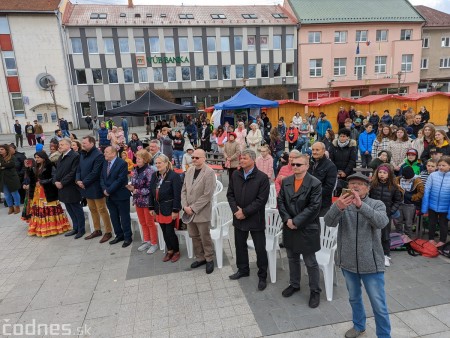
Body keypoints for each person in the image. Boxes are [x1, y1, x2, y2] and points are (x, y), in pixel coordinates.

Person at [324, 173, 391, 338]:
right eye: (352, 183)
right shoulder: (342, 204)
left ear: (367, 188)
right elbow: (328, 222)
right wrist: (337, 207)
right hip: (348, 262)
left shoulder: (377, 204)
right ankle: (359, 326)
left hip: (371, 263)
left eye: (359, 184)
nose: (355, 186)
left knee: (378, 304)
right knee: (354, 298)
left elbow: (381, 222)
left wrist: (361, 206)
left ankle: (384, 335)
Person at [277, 154, 322, 308]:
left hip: (307, 228)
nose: (295, 167)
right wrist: (287, 220)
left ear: (307, 166)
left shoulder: (315, 183)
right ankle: (294, 284)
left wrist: (296, 221)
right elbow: (280, 201)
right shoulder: (287, 181)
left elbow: (314, 207)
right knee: (292, 258)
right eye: (293, 164)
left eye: (299, 164)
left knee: (310, 262)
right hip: (289, 226)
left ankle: (315, 291)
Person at [227, 149, 270, 290]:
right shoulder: (236, 174)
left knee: (260, 249)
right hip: (238, 218)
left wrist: (244, 212)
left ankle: (262, 275)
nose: (241, 161)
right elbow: (230, 195)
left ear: (252, 159)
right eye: (240, 158)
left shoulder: (262, 178)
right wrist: (236, 211)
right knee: (240, 246)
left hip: (255, 219)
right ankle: (243, 270)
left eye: (244, 158)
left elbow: (261, 200)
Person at [181, 149, 216, 274]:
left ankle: (209, 258)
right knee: (194, 236)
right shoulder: (189, 170)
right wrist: (185, 206)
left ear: (204, 158)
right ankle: (200, 257)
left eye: (197, 157)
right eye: (193, 157)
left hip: (201, 211)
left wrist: (193, 208)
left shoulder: (209, 172)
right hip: (188, 211)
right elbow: (184, 190)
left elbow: (207, 195)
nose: (194, 159)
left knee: (204, 236)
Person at [76, 136, 113, 243]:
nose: (83, 145)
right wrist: (78, 180)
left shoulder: (98, 155)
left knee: (102, 209)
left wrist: (84, 182)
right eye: (82, 143)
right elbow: (78, 169)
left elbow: (95, 172)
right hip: (85, 187)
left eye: (85, 143)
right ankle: (97, 230)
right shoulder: (82, 154)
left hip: (95, 187)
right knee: (92, 209)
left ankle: (108, 231)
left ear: (92, 143)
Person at [25, 151, 71, 236]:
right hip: (38, 192)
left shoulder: (50, 165)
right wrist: (28, 168)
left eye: (38, 157)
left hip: (48, 191)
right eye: (35, 157)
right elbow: (32, 178)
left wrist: (42, 182)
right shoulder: (36, 166)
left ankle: (53, 228)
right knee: (39, 209)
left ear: (43, 157)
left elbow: (54, 178)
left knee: (49, 209)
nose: (36, 159)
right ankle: (41, 228)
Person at [149, 154, 182, 262]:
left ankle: (176, 251)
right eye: (156, 163)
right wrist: (151, 208)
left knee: (170, 232)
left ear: (166, 163)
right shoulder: (155, 176)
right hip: (159, 208)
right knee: (163, 231)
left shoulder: (174, 176)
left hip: (170, 209)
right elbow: (151, 193)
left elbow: (177, 195)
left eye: (160, 163)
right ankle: (170, 251)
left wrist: (175, 210)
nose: (157, 165)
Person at [369, 165, 402, 267]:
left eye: (384, 173)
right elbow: (368, 198)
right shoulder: (372, 185)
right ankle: (371, 254)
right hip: (373, 214)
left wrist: (390, 211)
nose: (382, 175)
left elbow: (397, 200)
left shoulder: (394, 187)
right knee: (371, 234)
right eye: (380, 172)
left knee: (385, 235)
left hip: (386, 215)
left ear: (389, 174)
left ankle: (386, 255)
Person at [100, 146, 132, 247]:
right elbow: (101, 177)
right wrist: (104, 190)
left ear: (114, 153)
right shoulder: (105, 162)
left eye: (106, 152)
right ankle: (119, 235)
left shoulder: (122, 163)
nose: (104, 154)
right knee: (113, 216)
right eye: (104, 152)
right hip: (108, 196)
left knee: (124, 217)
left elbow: (120, 179)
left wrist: (108, 190)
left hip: (121, 195)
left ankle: (127, 237)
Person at [127, 150, 158, 254]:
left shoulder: (150, 171)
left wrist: (136, 190)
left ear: (145, 160)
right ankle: (147, 241)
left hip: (147, 201)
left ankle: (154, 243)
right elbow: (135, 182)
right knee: (142, 222)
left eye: (139, 158)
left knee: (150, 222)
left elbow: (151, 188)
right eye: (136, 158)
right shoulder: (136, 170)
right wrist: (131, 186)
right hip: (138, 200)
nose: (137, 160)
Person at [54, 139, 85, 239]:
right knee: (69, 209)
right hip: (62, 188)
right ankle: (75, 228)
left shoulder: (75, 156)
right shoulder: (61, 156)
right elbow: (56, 171)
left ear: (69, 146)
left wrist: (62, 182)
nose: (60, 146)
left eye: (62, 144)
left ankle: (81, 229)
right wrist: (55, 181)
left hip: (71, 187)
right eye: (59, 144)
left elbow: (73, 172)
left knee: (76, 208)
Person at [421, 156, 450, 247]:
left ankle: (442, 240)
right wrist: (425, 208)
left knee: (443, 224)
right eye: (439, 165)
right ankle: (431, 238)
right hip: (432, 205)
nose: (441, 167)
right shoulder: (433, 175)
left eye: (444, 165)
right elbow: (427, 191)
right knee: (432, 223)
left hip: (445, 207)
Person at [308, 142, 337, 216]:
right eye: (313, 150)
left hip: (322, 204)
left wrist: (313, 193)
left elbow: (329, 187)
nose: (314, 152)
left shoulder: (331, 166)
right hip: (308, 203)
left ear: (324, 151)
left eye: (317, 150)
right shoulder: (308, 164)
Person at [394, 166, 423, 238]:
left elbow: (421, 192)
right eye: (405, 178)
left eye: (409, 178)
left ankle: (408, 237)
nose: (407, 179)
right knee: (398, 221)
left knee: (409, 223)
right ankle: (399, 236)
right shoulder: (397, 179)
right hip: (399, 203)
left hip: (410, 205)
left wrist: (413, 198)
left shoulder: (417, 180)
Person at [0, 144, 21, 214]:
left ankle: (17, 207)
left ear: (6, 150)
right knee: (6, 194)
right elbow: (7, 165)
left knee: (14, 193)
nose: (0, 151)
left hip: (12, 178)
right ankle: (10, 207)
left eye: (2, 149)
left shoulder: (12, 157)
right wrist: (5, 165)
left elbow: (12, 164)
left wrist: (2, 165)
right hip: (3, 178)